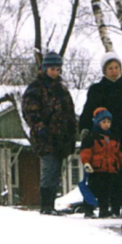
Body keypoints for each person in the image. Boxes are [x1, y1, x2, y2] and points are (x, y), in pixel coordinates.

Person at [79, 52, 122, 216]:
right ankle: (103, 205)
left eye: (116, 67)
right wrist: (85, 130)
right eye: (110, 68)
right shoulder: (97, 90)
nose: (114, 71)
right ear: (104, 71)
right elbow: (88, 111)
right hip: (103, 138)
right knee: (105, 173)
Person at [22, 51, 78, 215]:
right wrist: (40, 128)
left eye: (57, 69)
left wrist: (72, 132)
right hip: (45, 137)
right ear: (44, 68)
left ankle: (51, 204)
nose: (55, 72)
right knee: (49, 169)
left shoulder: (62, 90)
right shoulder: (35, 88)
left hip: (61, 138)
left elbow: (70, 112)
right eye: (52, 68)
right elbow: (29, 111)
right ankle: (45, 206)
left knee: (56, 171)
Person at [80, 108, 122, 218]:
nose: (107, 125)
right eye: (104, 122)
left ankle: (106, 210)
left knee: (110, 191)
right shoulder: (92, 137)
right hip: (97, 169)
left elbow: (118, 153)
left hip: (111, 169)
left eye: (109, 122)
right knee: (94, 189)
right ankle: (88, 209)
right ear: (98, 122)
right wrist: (86, 163)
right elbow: (86, 152)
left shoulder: (113, 137)